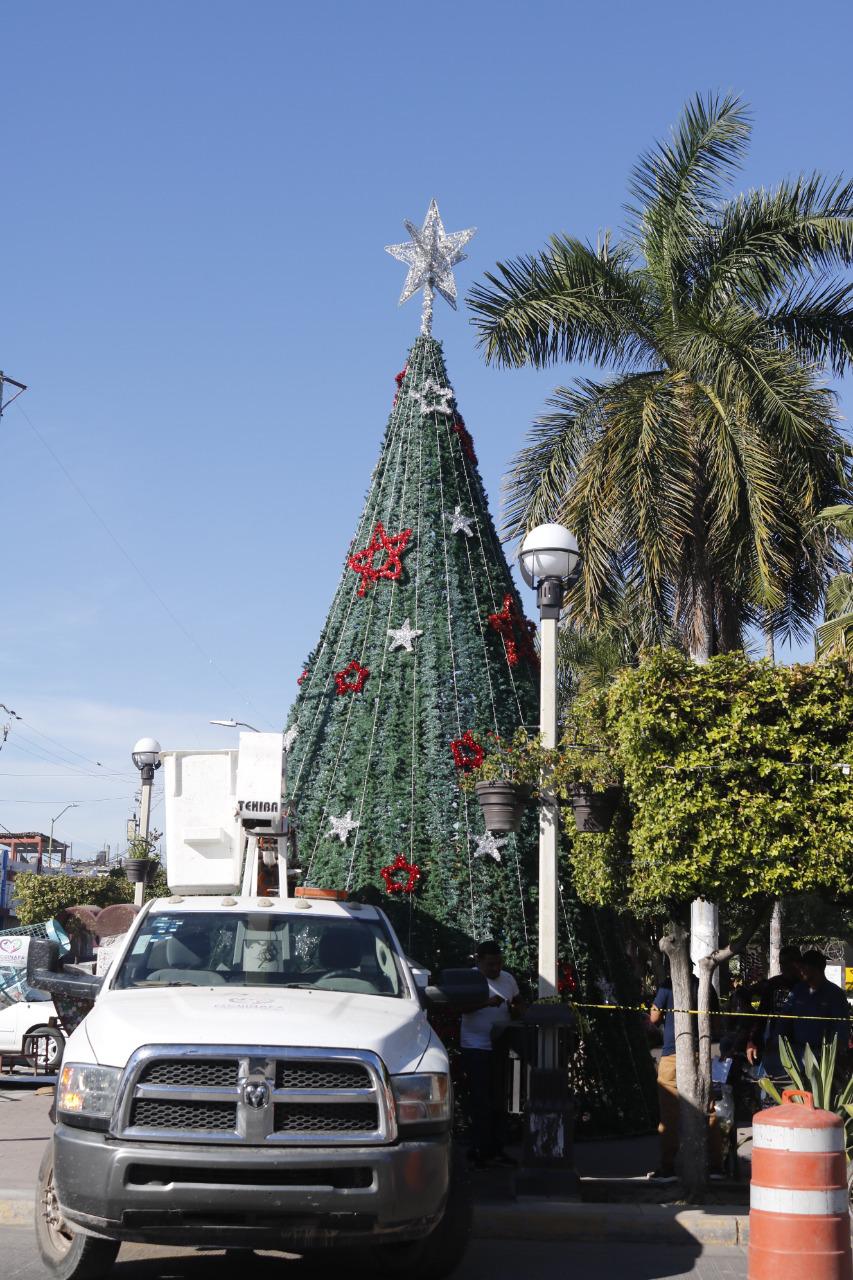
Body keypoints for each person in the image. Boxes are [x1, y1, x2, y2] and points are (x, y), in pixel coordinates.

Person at [649, 975, 723, 1181]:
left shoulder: (667, 985)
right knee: (708, 1108)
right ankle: (715, 1165)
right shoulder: (705, 986)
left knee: (669, 1112)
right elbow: (716, 1023)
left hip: (672, 1054)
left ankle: (668, 1166)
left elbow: (654, 1018)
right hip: (700, 1054)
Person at [460, 940, 523, 1167]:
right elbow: (460, 1008)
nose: (495, 969)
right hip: (475, 1045)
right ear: (478, 961)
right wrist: (486, 1003)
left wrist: (515, 1010)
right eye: (490, 965)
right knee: (480, 1099)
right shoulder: (470, 978)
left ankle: (497, 1148)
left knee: (499, 1098)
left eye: (498, 964)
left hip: (500, 1043)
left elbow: (519, 1004)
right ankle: (479, 1148)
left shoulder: (508, 979)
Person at [745, 947, 802, 1096]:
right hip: (775, 1045)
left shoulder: (807, 986)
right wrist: (752, 1040)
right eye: (782, 963)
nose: (786, 967)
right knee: (774, 1088)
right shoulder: (773, 985)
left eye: (790, 962)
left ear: (798, 963)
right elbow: (761, 1016)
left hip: (802, 1046)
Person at [781, 949, 850, 1066]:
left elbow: (841, 1027)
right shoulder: (798, 990)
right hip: (797, 1054)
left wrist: (837, 1053)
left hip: (823, 1057)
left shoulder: (835, 994)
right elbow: (785, 1017)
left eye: (804, 967)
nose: (800, 970)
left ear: (816, 968)